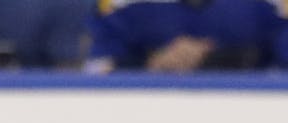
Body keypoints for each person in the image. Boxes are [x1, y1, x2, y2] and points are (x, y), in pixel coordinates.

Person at [86, 0, 288, 72]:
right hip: (148, 114)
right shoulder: (122, 4)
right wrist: (151, 63)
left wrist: (217, 58)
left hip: (246, 114)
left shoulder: (269, 5)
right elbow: (98, 69)